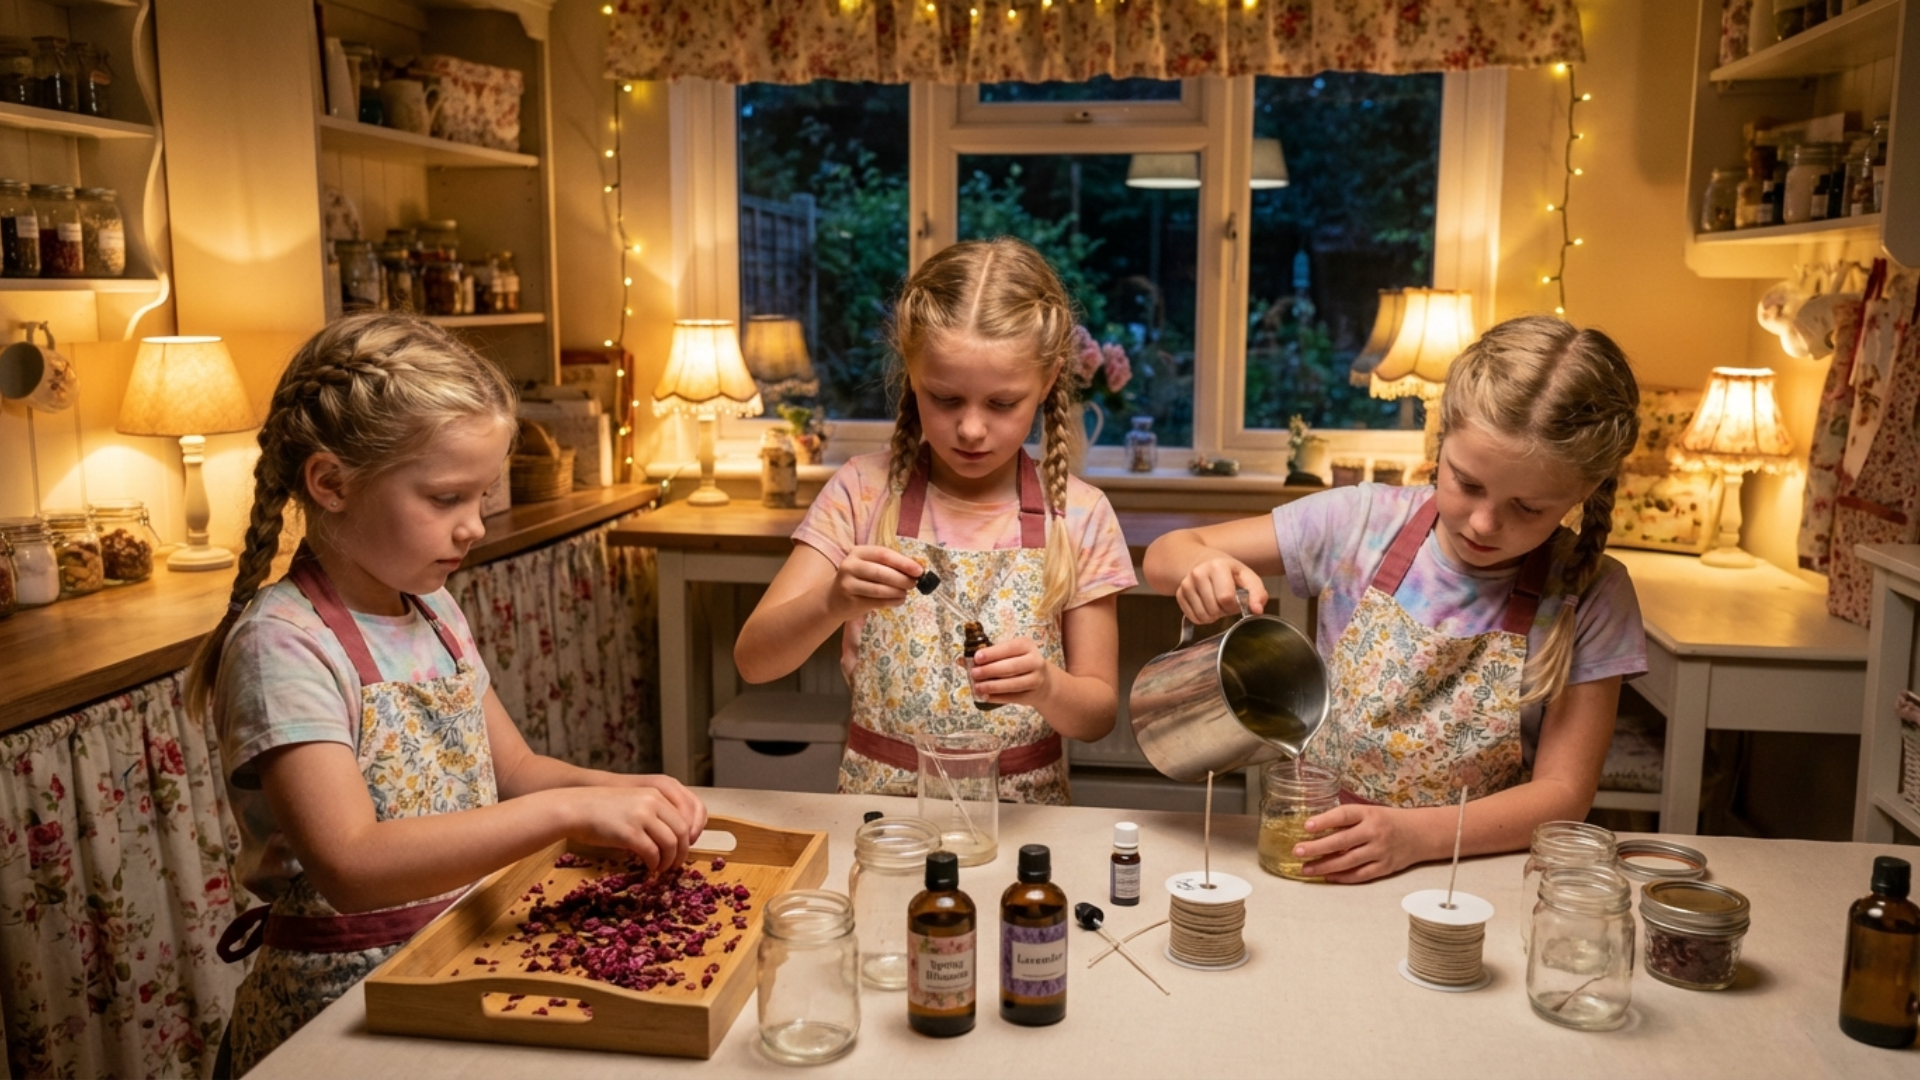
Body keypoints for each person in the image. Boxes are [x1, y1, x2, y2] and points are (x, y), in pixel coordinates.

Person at [187, 313, 706, 1074]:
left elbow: (516, 771)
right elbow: (352, 864)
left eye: (482, 495)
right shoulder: (283, 645)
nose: (474, 526)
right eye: (445, 498)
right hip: (341, 1013)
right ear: (330, 483)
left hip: (458, 966)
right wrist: (569, 812)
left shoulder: (430, 607)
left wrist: (628, 791)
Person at [1144, 315, 1646, 882]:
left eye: (1527, 508)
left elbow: (1564, 794)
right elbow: (1166, 553)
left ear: (1584, 491)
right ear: (1440, 440)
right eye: (1466, 483)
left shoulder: (1595, 593)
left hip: (1467, 869)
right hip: (1321, 849)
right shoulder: (1360, 523)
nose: (1483, 523)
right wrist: (1202, 566)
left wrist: (1413, 837)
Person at [735, 238, 1135, 804]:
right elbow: (754, 661)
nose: (971, 429)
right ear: (911, 377)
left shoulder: (1081, 514)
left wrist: (1047, 685)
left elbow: (1096, 716)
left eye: (1002, 404)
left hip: (1027, 824)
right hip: (881, 816)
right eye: (945, 399)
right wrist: (831, 602)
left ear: (1048, 383)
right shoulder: (862, 491)